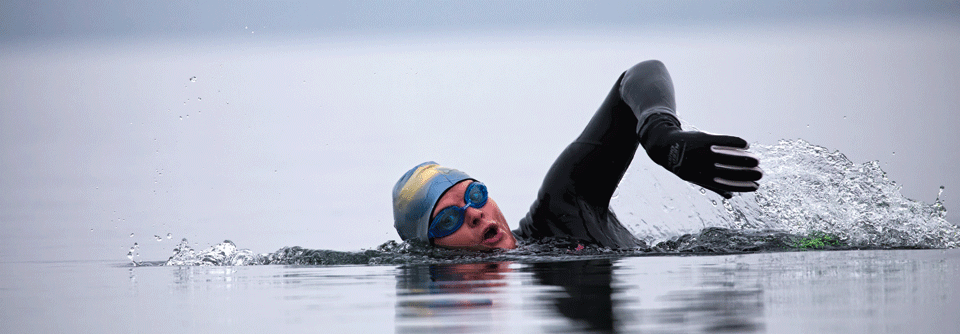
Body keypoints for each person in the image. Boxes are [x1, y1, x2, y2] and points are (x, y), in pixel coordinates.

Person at [391, 60, 763, 251]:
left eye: (474, 195)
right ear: (429, 250)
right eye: (448, 220)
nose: (474, 214)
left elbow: (640, 73)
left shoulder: (562, 208)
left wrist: (659, 131)